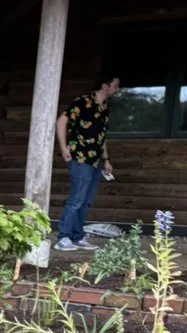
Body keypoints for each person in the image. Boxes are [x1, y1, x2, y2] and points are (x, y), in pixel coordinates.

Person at [54, 74, 120, 251]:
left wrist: (106, 159)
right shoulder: (83, 102)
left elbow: (101, 137)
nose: (117, 89)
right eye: (115, 86)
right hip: (80, 157)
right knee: (76, 199)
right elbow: (61, 121)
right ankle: (63, 238)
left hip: (95, 161)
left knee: (86, 201)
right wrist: (63, 147)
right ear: (105, 86)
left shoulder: (105, 108)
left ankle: (77, 236)